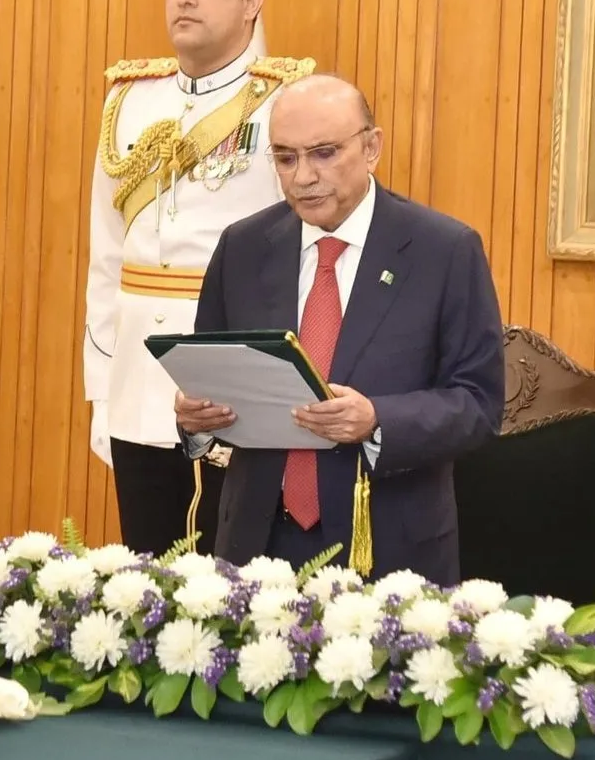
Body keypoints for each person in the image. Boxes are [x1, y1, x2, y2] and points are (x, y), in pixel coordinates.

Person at [174, 74, 506, 582]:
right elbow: (213, 379)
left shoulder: (444, 251)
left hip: (387, 548)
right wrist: (196, 419)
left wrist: (377, 419)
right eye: (285, 158)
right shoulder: (242, 248)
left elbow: (478, 404)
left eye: (324, 153)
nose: (303, 176)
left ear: (371, 147)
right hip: (255, 545)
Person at [84, 0, 314, 556]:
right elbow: (106, 252)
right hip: (135, 371)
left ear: (252, 2)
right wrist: (102, 386)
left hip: (231, 378)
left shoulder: (282, 102)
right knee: (148, 564)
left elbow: (296, 258)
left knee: (233, 572)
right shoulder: (128, 100)